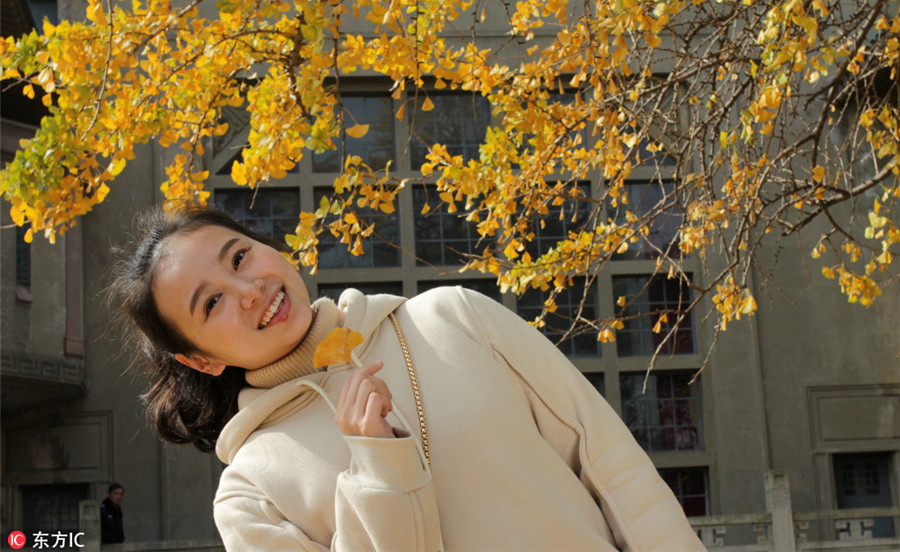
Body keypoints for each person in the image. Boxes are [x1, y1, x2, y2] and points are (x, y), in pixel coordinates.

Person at [110, 204, 706, 551]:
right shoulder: (250, 495)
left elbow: (614, 467)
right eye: (210, 304)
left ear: (268, 247)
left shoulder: (454, 316)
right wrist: (378, 473)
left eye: (240, 257)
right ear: (199, 359)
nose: (249, 291)